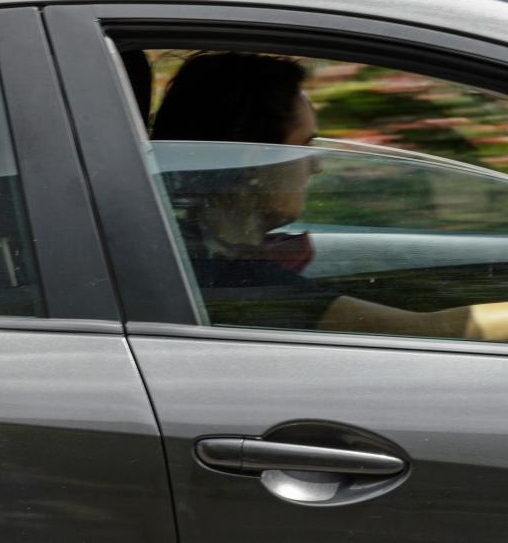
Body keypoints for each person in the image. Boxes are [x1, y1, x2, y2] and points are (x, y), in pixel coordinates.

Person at [152, 51, 508, 341]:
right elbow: (428, 331)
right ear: (254, 161)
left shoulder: (187, 254)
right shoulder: (223, 278)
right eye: (304, 146)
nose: (316, 167)